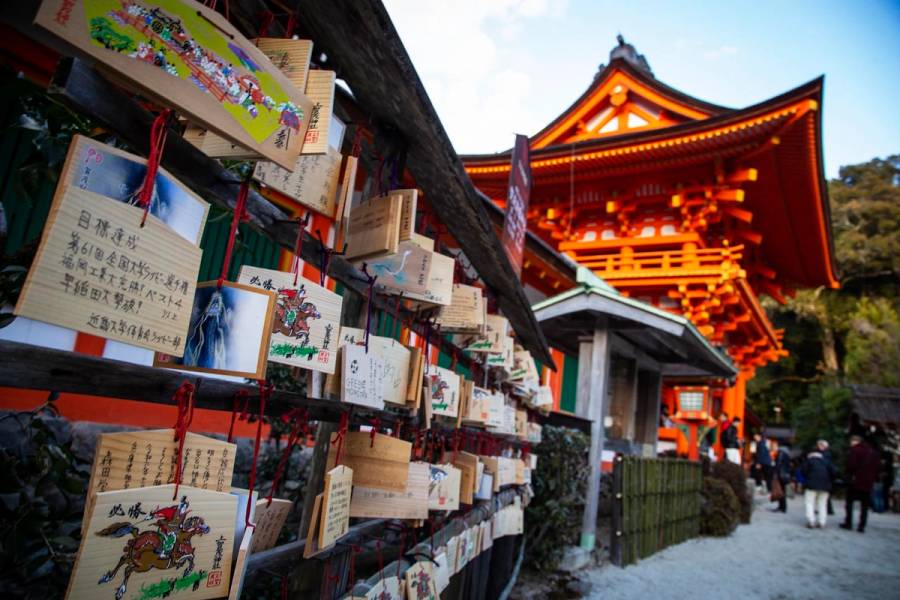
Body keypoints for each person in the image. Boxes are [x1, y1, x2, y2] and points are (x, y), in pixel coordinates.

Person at [841, 435, 880, 533]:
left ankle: (848, 522)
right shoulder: (873, 453)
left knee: (849, 502)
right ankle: (861, 525)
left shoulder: (855, 451)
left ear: (855, 441)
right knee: (864, 506)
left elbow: (850, 465)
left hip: (855, 481)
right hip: (868, 482)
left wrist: (848, 475)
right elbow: (877, 468)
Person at [802, 440, 836, 528]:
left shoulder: (810, 460)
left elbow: (803, 471)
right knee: (822, 503)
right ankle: (822, 522)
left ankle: (811, 520)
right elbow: (834, 471)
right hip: (825, 484)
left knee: (809, 502)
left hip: (812, 483)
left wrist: (807, 478)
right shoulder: (827, 461)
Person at [771, 439, 792, 513]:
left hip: (780, 474)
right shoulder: (787, 453)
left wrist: (775, 473)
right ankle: (783, 507)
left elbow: (778, 464)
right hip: (785, 474)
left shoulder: (781, 453)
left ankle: (782, 507)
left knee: (780, 490)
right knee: (782, 490)